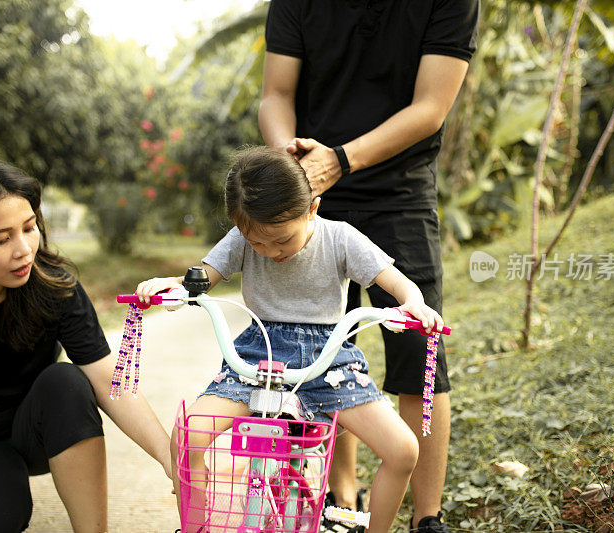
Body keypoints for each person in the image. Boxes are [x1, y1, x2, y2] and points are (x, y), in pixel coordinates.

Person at [136, 147, 443, 533]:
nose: (269, 252)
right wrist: (174, 288)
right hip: (256, 357)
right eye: (257, 244)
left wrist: (413, 305)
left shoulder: (341, 239)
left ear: (312, 208)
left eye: (281, 240)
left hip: (328, 360)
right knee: (187, 435)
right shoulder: (241, 237)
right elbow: (198, 283)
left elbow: (402, 286)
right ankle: (194, 526)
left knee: (403, 450)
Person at [258, 1, 479, 531]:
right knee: (314, 347)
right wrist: (292, 167)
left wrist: (341, 158)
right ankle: (343, 498)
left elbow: (430, 106)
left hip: (398, 194)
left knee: (420, 350)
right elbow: (276, 94)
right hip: (309, 191)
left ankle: (428, 519)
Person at [0, 156, 172, 533]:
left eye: (29, 228)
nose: (23, 249)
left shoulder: (54, 288)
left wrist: (169, 455)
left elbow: (109, 381)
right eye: (0, 239)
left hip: (34, 429)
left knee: (67, 381)